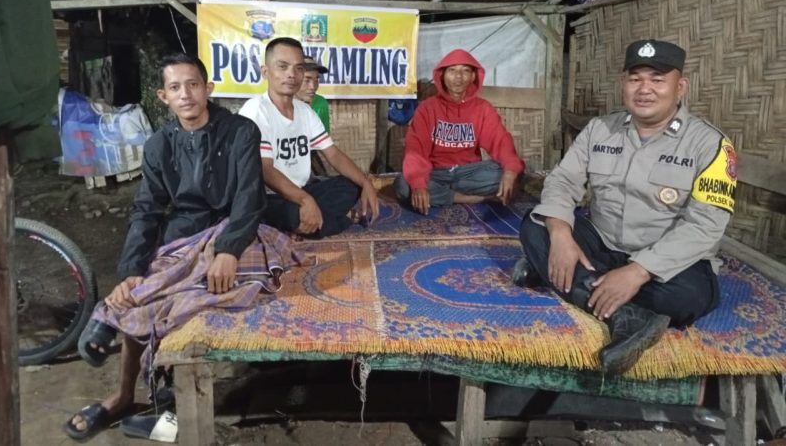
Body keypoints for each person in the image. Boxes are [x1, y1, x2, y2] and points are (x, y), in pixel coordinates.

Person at [64, 53, 300, 440]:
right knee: (146, 279)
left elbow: (249, 198)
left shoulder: (241, 131)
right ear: (163, 96)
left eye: (192, 85)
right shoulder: (159, 145)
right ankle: (124, 396)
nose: (185, 94)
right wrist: (130, 269)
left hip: (237, 229)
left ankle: (113, 326)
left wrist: (228, 250)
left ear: (208, 89)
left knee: (187, 292)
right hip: (185, 234)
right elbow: (147, 210)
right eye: (175, 87)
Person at [516, 40, 737, 375]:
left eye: (657, 80)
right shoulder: (600, 130)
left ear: (680, 87)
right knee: (536, 227)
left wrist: (638, 271)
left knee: (688, 297)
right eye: (635, 79)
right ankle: (625, 314)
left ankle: (564, 277)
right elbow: (562, 181)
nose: (644, 89)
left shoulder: (710, 145)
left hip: (665, 261)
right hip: (603, 242)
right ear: (623, 83)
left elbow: (705, 226)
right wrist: (560, 234)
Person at [238, 37, 380, 237]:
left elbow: (333, 154)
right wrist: (306, 200)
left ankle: (310, 222)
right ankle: (339, 220)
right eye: (283, 66)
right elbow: (265, 170)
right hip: (267, 195)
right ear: (265, 72)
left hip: (302, 190)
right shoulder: (256, 110)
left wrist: (366, 183)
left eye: (298, 68)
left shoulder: (305, 111)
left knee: (351, 185)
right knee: (291, 213)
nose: (291, 74)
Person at [394, 48, 525, 215]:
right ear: (442, 75)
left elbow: (500, 141)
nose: (458, 77)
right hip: (435, 172)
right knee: (403, 185)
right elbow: (416, 149)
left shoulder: (483, 108)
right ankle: (467, 198)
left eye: (465, 71)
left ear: (473, 76)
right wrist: (419, 184)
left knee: (513, 173)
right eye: (452, 70)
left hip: (469, 174)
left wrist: (510, 171)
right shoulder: (427, 108)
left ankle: (443, 194)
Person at [296, 54, 331, 133]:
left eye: (316, 80)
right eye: (307, 80)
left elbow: (325, 137)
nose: (313, 87)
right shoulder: (276, 107)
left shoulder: (320, 103)